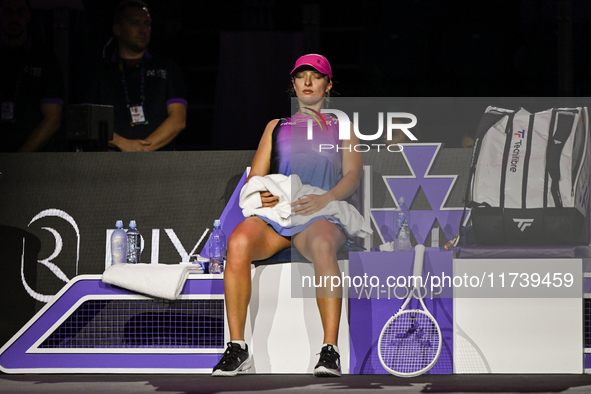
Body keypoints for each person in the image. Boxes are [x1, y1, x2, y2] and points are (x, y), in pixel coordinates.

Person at [212, 54, 363, 377]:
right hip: (279, 219)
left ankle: (329, 351)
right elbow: (256, 175)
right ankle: (237, 347)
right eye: (301, 76)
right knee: (238, 241)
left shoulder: (343, 127)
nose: (308, 82)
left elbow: (352, 176)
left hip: (320, 217)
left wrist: (325, 199)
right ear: (293, 85)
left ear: (329, 85)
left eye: (316, 76)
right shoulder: (276, 127)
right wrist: (261, 191)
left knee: (323, 244)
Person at [88, 0, 186, 151]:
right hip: (111, 162)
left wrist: (143, 149)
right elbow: (88, 121)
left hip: (158, 161)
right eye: (135, 23)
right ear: (117, 29)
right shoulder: (100, 69)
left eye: (147, 24)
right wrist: (123, 144)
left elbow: (178, 120)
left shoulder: (166, 67)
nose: (143, 30)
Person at [0, 0, 64, 152]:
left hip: (31, 161)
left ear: (28, 16)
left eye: (20, 12)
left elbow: (53, 119)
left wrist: (19, 158)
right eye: (8, 12)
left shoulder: (44, 58)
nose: (14, 17)